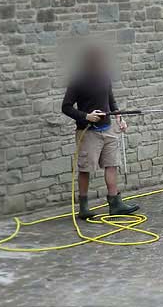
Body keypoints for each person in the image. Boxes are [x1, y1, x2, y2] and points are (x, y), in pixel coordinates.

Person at [61, 45, 139, 219]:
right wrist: (86, 116)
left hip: (108, 130)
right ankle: (83, 207)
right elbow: (66, 107)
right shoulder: (77, 81)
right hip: (88, 133)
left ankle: (115, 203)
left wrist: (120, 118)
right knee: (86, 169)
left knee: (112, 164)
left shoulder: (105, 77)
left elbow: (111, 101)